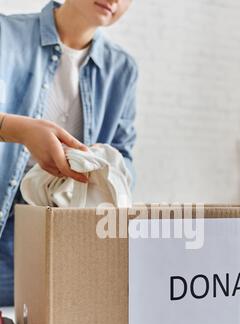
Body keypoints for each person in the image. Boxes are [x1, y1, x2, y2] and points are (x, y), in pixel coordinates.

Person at [0, 0, 138, 306]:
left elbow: (125, 157)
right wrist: (19, 129)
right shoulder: (6, 35)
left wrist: (105, 166)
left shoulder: (122, 70)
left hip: (66, 237)